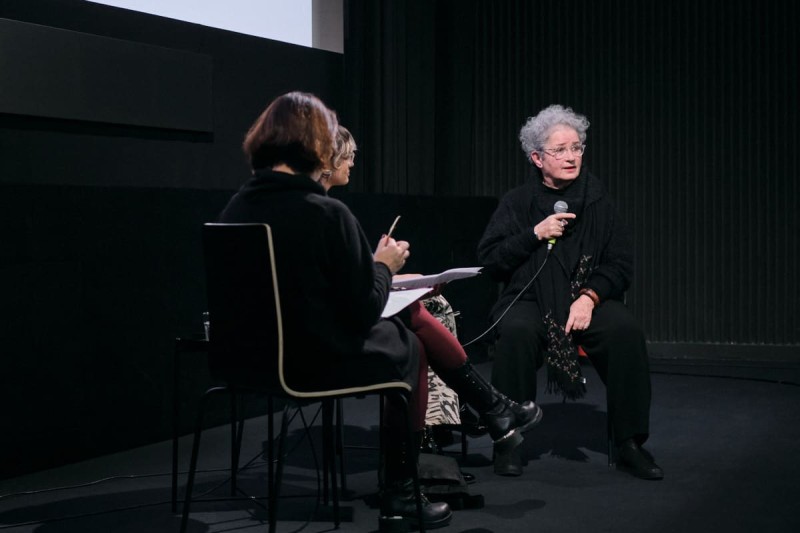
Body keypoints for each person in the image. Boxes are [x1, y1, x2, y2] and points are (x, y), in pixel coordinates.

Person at [217, 93, 542, 531]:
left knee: (404, 328)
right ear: (316, 148)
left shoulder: (238, 207)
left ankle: (492, 410)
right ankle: (403, 495)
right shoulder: (324, 212)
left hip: (246, 361)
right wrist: (382, 268)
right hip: (308, 363)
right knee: (405, 346)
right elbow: (364, 308)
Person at [476, 104, 663, 480]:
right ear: (537, 157)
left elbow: (620, 264)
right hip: (530, 298)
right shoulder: (517, 203)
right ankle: (508, 439)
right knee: (515, 332)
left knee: (625, 333)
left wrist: (590, 296)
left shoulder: (598, 201)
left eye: (576, 147)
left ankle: (629, 443)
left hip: (584, 297)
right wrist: (535, 234)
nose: (571, 156)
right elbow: (491, 260)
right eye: (559, 150)